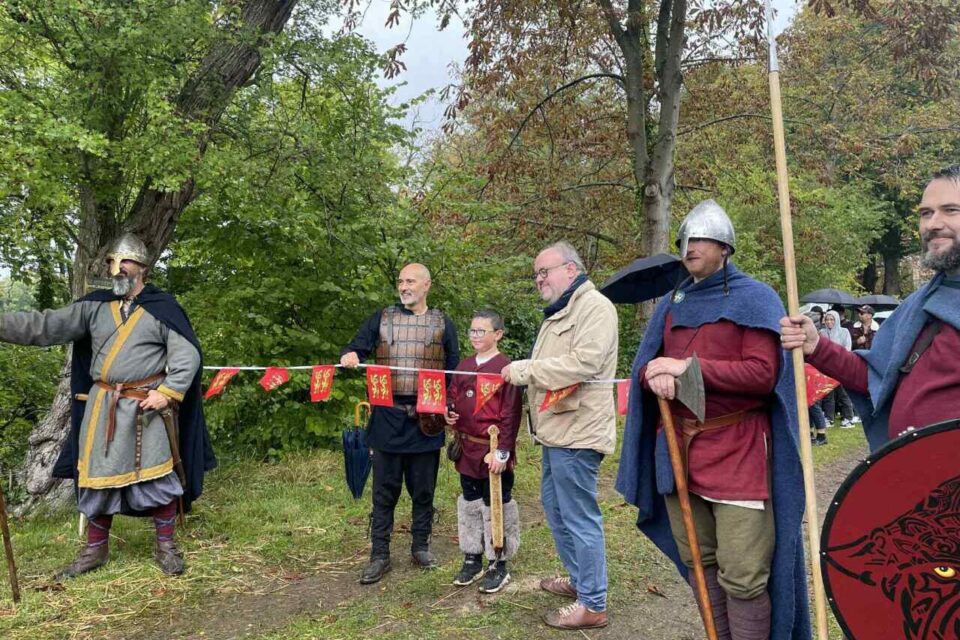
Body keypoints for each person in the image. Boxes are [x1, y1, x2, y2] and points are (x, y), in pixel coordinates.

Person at [617, 200, 810, 640]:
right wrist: (653, 375)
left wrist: (687, 370)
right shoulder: (672, 302)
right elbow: (648, 367)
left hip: (739, 452)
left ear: (725, 246)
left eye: (700, 238)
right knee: (700, 565)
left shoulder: (755, 297)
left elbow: (764, 376)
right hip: (681, 452)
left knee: (743, 574)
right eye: (685, 240)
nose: (690, 247)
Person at [0, 233, 215, 577]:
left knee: (157, 479)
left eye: (125, 263)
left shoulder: (163, 308)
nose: (117, 270)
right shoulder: (93, 306)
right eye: (111, 263)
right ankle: (95, 552)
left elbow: (186, 354)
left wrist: (170, 391)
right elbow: (45, 325)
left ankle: (166, 548)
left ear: (143, 268)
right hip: (104, 407)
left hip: (148, 408)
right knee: (97, 478)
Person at [781, 164, 960, 451]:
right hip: (913, 479)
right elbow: (876, 378)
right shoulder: (919, 304)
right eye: (926, 213)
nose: (932, 224)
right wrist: (816, 346)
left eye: (950, 210)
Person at [500, 241, 618, 631]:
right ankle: (582, 582)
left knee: (579, 515)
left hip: (579, 433)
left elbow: (585, 363)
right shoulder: (562, 311)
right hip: (557, 431)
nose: (539, 280)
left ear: (570, 269)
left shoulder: (595, 307)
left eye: (544, 271)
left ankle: (594, 603)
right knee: (555, 508)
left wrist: (527, 370)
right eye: (536, 274)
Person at [340, 263, 459, 584]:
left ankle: (420, 546)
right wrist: (351, 355)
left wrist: (450, 406)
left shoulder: (442, 323)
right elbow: (354, 347)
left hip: (427, 420)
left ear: (426, 285)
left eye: (410, 281)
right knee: (384, 492)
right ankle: (380, 554)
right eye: (400, 281)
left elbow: (454, 370)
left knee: (423, 490)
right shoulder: (380, 319)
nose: (404, 286)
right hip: (387, 419)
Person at [445, 309, 522, 594]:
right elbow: (452, 395)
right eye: (472, 330)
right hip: (467, 447)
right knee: (470, 500)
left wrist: (503, 450)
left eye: (482, 330)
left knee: (497, 503)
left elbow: (511, 414)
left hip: (492, 448)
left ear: (498, 334)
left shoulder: (507, 368)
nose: (475, 335)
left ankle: (498, 562)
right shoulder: (464, 364)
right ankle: (472, 556)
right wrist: (449, 413)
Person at [818, 310, 858, 429]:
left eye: (832, 319)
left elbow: (847, 348)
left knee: (843, 394)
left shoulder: (844, 332)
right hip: (826, 367)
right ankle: (829, 418)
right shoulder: (822, 333)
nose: (829, 322)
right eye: (827, 319)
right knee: (828, 393)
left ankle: (848, 418)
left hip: (841, 366)